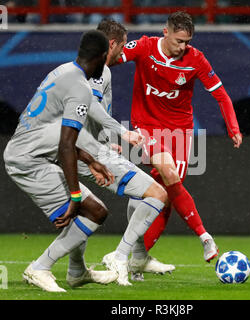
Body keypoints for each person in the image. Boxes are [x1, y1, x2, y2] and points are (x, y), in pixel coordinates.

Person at [116, 11, 243, 278]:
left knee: (165, 196)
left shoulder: (195, 59)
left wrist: (233, 127)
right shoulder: (145, 47)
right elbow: (111, 58)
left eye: (187, 42)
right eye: (179, 41)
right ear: (166, 32)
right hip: (147, 126)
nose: (183, 47)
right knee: (170, 174)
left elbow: (221, 95)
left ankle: (137, 258)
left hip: (180, 132)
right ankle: (205, 236)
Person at [3, 30, 119, 292]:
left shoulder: (63, 71)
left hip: (31, 151)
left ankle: (77, 272)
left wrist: (89, 159)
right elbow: (66, 144)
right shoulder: (80, 88)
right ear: (102, 58)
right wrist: (74, 195)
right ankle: (40, 268)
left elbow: (55, 132)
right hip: (27, 162)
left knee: (91, 209)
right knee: (94, 211)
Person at [75, 19, 171, 286]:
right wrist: (121, 132)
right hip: (87, 153)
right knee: (156, 193)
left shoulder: (79, 67)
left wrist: (105, 141)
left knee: (83, 209)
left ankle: (65, 268)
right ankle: (121, 255)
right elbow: (90, 107)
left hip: (77, 148)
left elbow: (81, 114)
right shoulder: (101, 70)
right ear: (113, 44)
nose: (122, 54)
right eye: (121, 47)